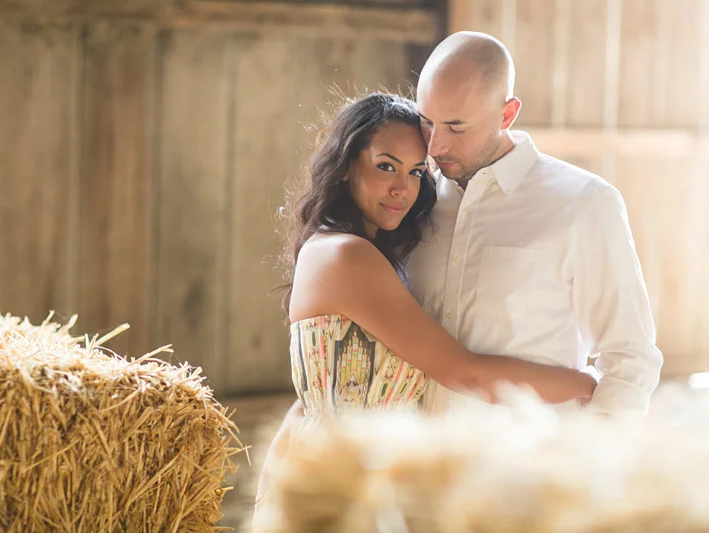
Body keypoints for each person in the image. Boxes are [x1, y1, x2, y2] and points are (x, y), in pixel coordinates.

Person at [251, 91, 597, 530]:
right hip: (344, 491)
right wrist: (585, 382)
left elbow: (306, 405)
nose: (403, 188)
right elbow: (464, 371)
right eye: (385, 166)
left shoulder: (345, 250)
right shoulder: (346, 257)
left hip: (340, 479)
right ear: (344, 167)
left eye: (416, 171)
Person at [405, 31, 663, 418]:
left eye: (456, 127)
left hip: (525, 469)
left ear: (507, 114)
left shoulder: (584, 203)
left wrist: (592, 460)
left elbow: (630, 358)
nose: (435, 146)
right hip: (409, 465)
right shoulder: (410, 200)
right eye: (426, 122)